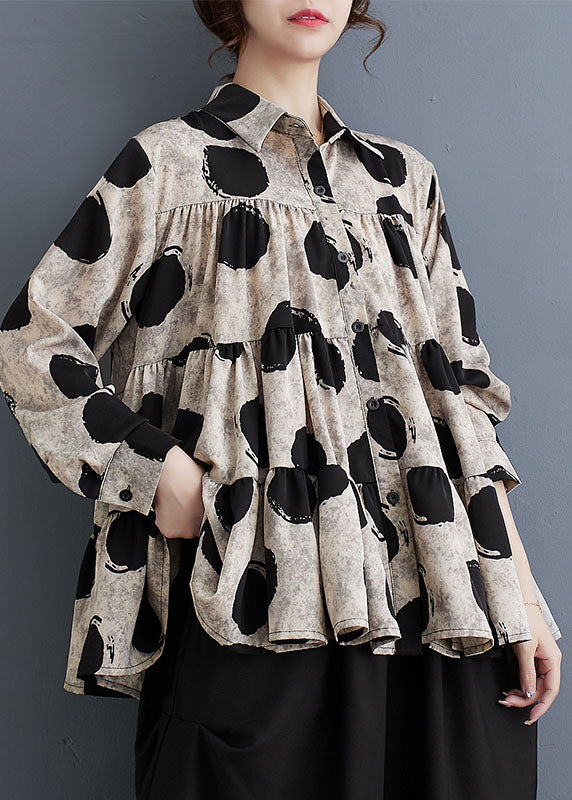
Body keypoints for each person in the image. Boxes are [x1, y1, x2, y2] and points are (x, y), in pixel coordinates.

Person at [0, 1, 563, 798]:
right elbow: (31, 344)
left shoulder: (405, 181)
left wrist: (525, 598)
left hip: (450, 615)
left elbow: (463, 401)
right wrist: (156, 475)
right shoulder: (168, 165)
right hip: (257, 601)